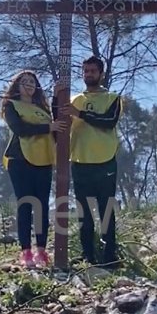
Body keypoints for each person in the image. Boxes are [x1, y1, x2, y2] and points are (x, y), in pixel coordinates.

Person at [59, 56, 123, 267]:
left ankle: (110, 256)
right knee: (84, 212)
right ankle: (88, 255)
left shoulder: (112, 98)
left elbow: (108, 122)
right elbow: (61, 123)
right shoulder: (75, 99)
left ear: (100, 73)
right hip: (80, 161)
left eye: (92, 71)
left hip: (105, 161)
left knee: (106, 210)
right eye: (85, 71)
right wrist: (56, 101)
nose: (88, 75)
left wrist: (81, 114)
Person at [0, 70, 67, 268]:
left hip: (44, 159)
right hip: (20, 159)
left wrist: (56, 97)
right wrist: (48, 128)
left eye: (32, 81)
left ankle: (41, 251)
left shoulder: (42, 110)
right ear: (17, 86)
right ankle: (26, 252)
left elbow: (56, 124)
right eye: (24, 81)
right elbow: (20, 129)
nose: (29, 84)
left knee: (42, 206)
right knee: (25, 204)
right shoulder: (11, 106)